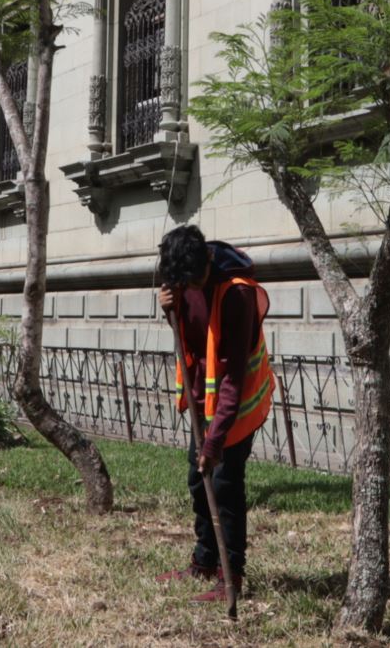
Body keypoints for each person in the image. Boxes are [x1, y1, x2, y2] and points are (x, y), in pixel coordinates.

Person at [155, 224, 274, 604]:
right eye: (182, 284)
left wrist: (215, 441)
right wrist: (166, 309)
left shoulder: (237, 293)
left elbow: (233, 378)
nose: (191, 288)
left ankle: (231, 574)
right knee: (197, 476)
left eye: (195, 281)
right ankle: (204, 560)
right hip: (205, 400)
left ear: (208, 258)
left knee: (224, 483)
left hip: (240, 399)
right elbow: (188, 333)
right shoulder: (180, 280)